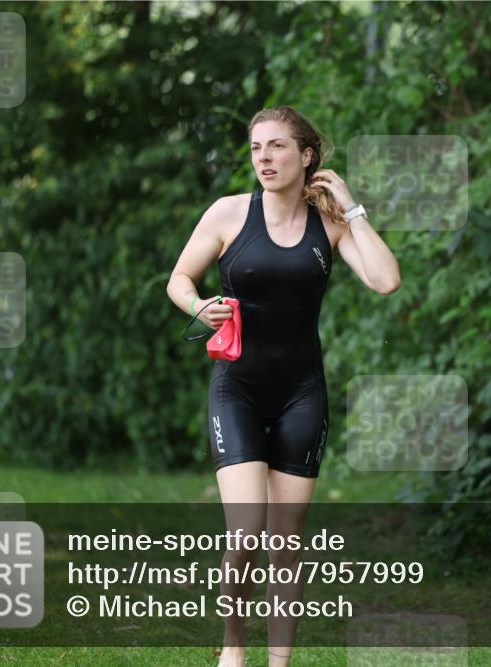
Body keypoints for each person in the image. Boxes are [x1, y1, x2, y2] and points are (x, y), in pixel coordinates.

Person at [167, 106, 401, 667]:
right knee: (247, 534)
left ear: (306, 155)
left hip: (302, 394)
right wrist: (199, 306)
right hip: (237, 391)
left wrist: (352, 208)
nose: (264, 158)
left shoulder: (330, 223)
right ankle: (233, 647)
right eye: (256, 148)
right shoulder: (228, 213)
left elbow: (386, 280)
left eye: (276, 146)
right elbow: (179, 278)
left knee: (286, 545)